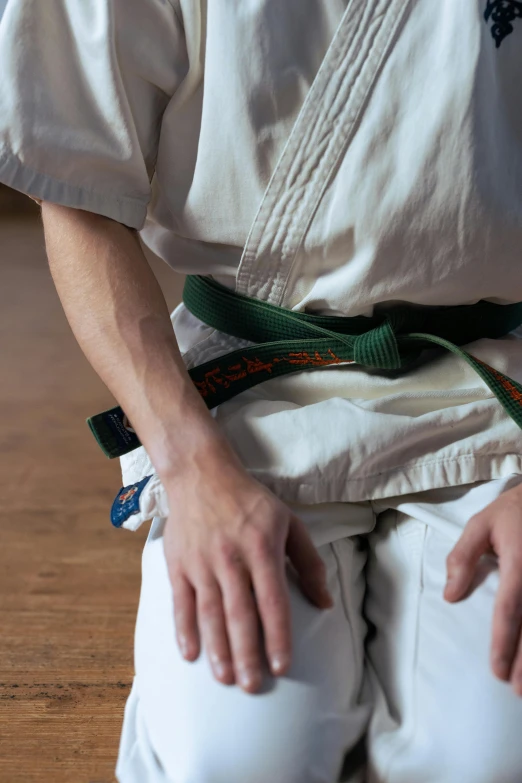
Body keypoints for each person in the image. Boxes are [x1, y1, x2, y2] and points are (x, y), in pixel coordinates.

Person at [2, 1, 522, 781]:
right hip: (250, 394)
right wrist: (189, 466)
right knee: (240, 756)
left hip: (496, 388)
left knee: (490, 758)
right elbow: (74, 182)